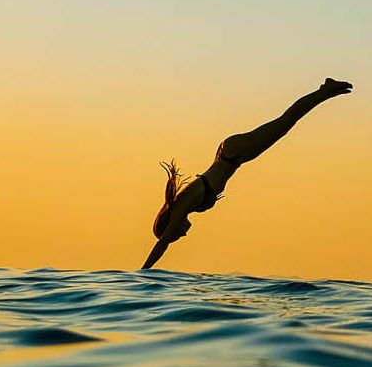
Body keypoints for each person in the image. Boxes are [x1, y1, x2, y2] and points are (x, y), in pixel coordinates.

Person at [142, 78, 353, 270]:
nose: (184, 234)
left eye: (178, 234)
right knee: (285, 123)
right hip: (231, 154)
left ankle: (325, 90)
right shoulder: (185, 206)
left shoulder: (181, 207)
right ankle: (326, 91)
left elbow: (162, 244)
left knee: (286, 122)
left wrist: (143, 272)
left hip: (233, 154)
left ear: (171, 225)